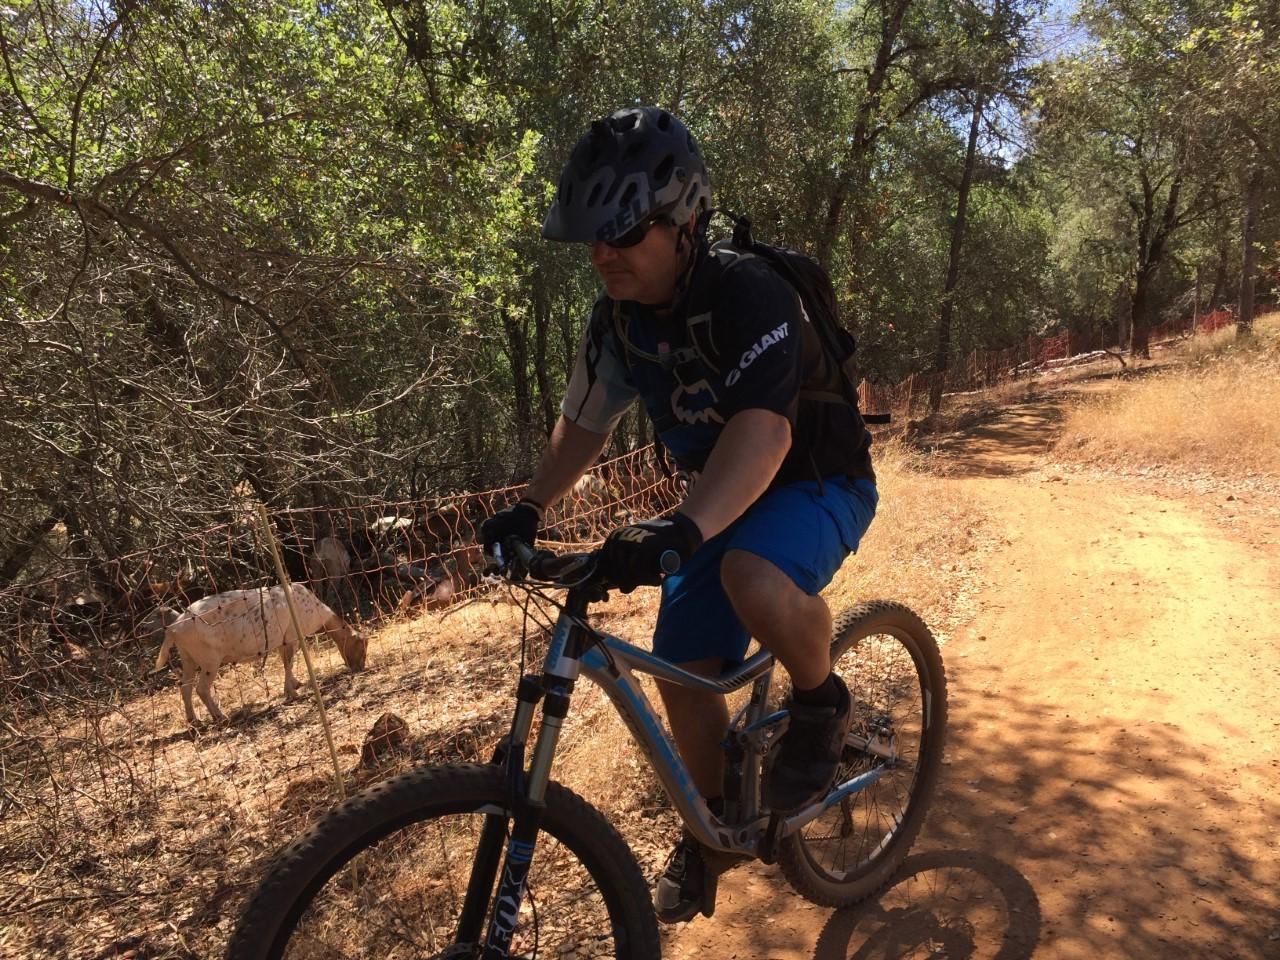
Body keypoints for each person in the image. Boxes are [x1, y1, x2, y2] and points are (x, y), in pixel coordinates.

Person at [481, 105, 878, 924]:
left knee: (752, 576)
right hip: (722, 496)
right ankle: (713, 832)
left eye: (620, 233)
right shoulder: (618, 322)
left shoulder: (748, 291)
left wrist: (685, 527)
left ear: (682, 219)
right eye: (592, 237)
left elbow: (764, 434)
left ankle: (821, 702)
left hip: (816, 479)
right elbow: (582, 427)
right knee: (682, 670)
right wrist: (527, 507)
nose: (601, 253)